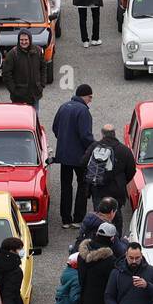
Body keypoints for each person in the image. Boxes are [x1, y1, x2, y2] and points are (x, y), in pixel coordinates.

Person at [52, 85, 95, 228]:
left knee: (66, 186)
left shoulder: (63, 107)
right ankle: (78, 219)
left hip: (64, 156)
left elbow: (55, 128)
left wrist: (64, 140)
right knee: (83, 185)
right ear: (84, 96)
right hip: (79, 157)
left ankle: (65, 220)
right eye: (90, 97)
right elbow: (85, 135)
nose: (90, 100)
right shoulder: (83, 111)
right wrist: (94, 146)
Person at [82, 125, 136, 227]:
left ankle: (100, 236)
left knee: (99, 215)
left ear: (102, 134)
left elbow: (83, 162)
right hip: (116, 189)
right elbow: (131, 170)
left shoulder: (94, 147)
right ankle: (115, 238)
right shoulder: (124, 150)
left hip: (97, 187)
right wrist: (123, 181)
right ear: (114, 134)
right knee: (116, 215)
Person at [0, 29, 45, 110]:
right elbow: (6, 74)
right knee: (19, 120)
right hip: (19, 97)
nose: (24, 42)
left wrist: (41, 84)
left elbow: (43, 68)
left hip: (35, 95)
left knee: (34, 119)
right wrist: (14, 91)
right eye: (21, 40)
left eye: (26, 40)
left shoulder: (37, 51)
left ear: (30, 39)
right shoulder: (12, 54)